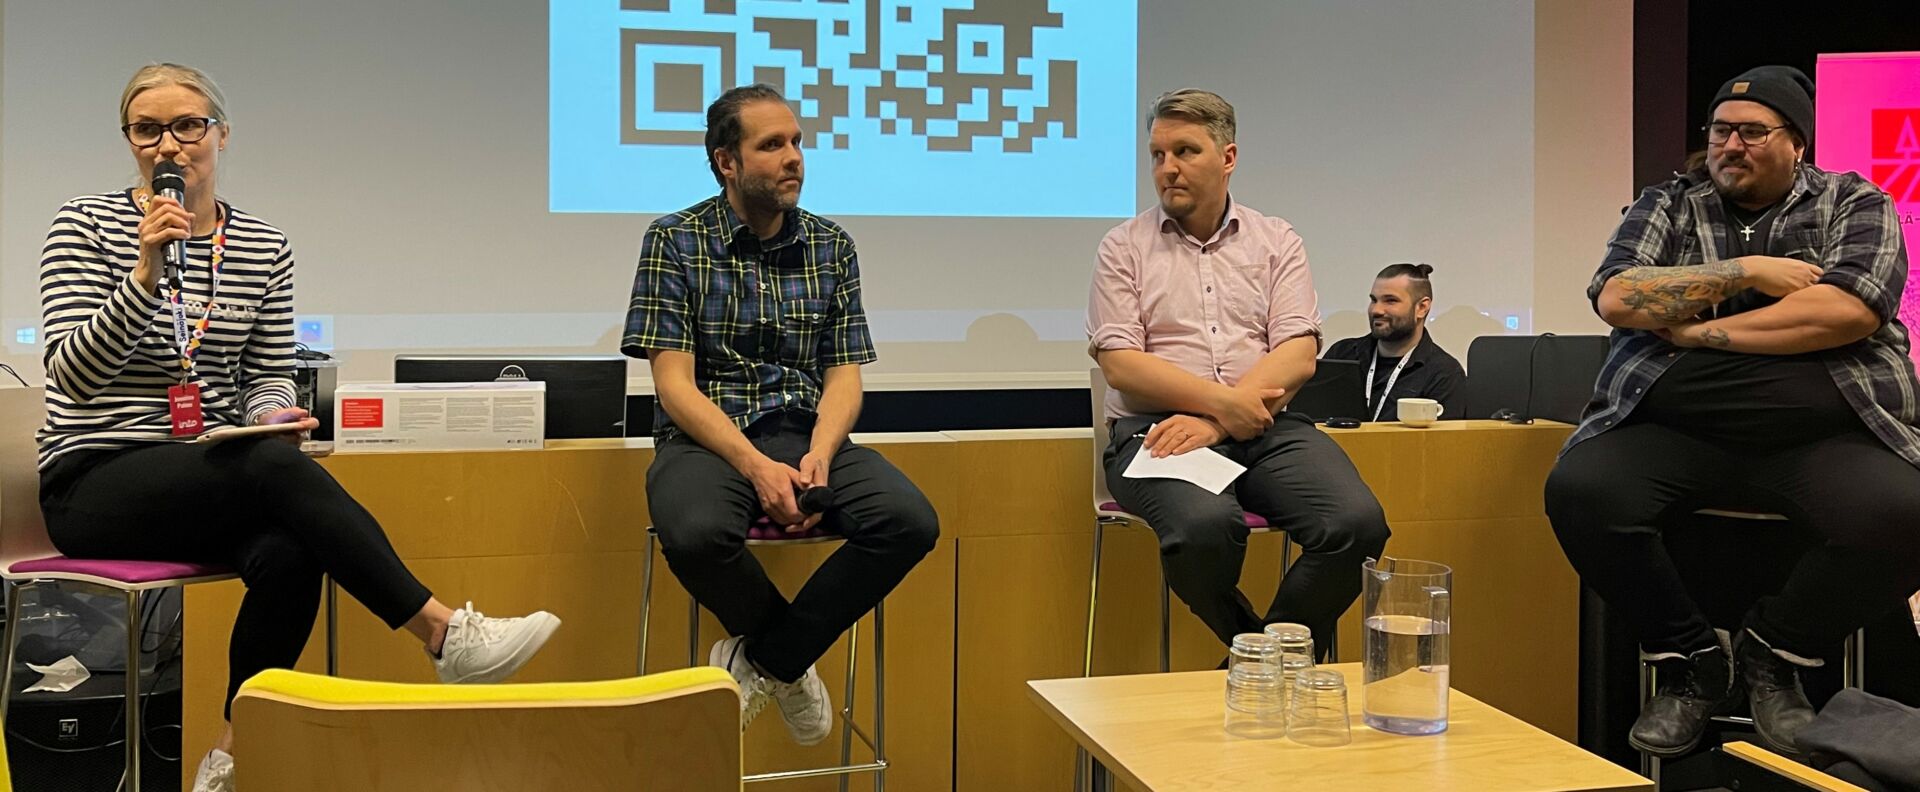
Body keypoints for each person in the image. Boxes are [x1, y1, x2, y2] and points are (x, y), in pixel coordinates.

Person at [34, 64, 561, 792]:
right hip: (94, 479)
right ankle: (442, 632)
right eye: (147, 130)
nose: (168, 147)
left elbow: (265, 372)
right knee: (273, 475)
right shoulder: (85, 224)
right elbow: (71, 374)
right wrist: (145, 273)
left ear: (221, 133)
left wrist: (267, 416)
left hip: (210, 472)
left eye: (187, 126)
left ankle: (232, 753)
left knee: (290, 548)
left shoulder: (263, 244)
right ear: (129, 141)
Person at [1545, 66, 1920, 759]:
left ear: (1797, 143)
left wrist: (1691, 330)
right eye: (1721, 131)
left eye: (1753, 132)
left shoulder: (1854, 202)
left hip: (1820, 440)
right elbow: (1620, 298)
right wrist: (1744, 274)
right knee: (1582, 492)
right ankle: (1692, 662)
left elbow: (1847, 310)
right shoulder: (1669, 204)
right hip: (1677, 432)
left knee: (1909, 512)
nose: (1731, 146)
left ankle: (1778, 654)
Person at [623, 85, 939, 745]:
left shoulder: (832, 245)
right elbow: (675, 386)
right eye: (772, 145)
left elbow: (844, 372)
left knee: (909, 521)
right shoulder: (674, 241)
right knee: (695, 532)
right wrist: (755, 465)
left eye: (796, 141)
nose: (794, 157)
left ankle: (765, 662)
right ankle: (791, 665)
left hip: (805, 427)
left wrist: (822, 449)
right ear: (726, 163)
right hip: (706, 438)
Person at [1086, 88, 1390, 657]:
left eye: (1185, 151)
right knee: (1203, 527)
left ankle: (1256, 664)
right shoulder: (1123, 247)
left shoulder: (1276, 240)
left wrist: (1222, 421)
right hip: (1156, 436)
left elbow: (1298, 352)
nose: (1166, 168)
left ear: (1228, 158)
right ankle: (1255, 648)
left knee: (1356, 524)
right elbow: (1121, 364)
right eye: (1157, 155)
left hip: (1266, 427)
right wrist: (1220, 407)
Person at [1322, 263, 1465, 420]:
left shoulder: (1444, 374)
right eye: (1374, 300)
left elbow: (1444, 442)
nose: (1376, 310)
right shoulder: (1341, 354)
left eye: (1390, 301)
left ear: (1422, 307)